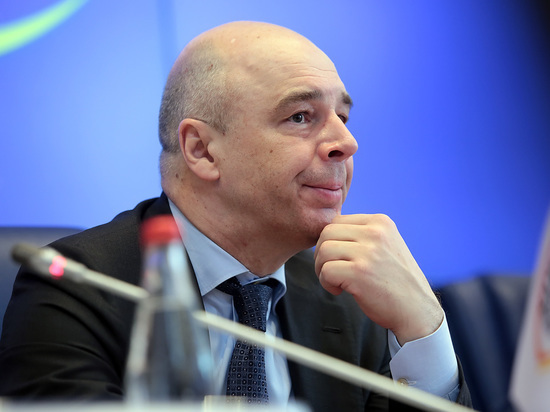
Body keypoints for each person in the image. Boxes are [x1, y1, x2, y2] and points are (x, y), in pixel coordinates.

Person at [0, 21, 472, 411]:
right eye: (301, 116)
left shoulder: (349, 299)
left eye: (342, 118)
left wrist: (424, 332)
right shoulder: (78, 289)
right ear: (202, 150)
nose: (346, 143)